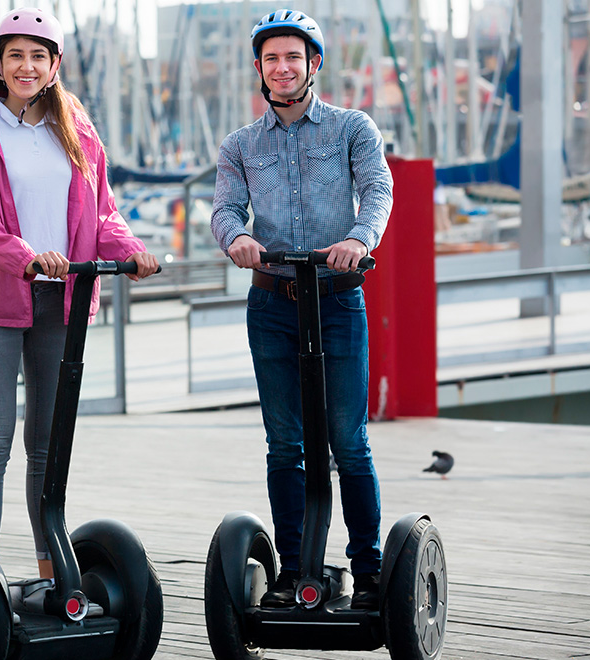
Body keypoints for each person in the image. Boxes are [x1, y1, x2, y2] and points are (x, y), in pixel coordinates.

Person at [0, 7, 159, 579]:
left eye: (37, 56)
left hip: (60, 298)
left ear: (54, 64)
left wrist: (131, 251)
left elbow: (102, 216)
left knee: (46, 446)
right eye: (15, 54)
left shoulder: (78, 132)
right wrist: (27, 258)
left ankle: (48, 573)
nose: (26, 65)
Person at [210, 9, 393, 610]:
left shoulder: (351, 129)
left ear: (314, 64)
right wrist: (235, 238)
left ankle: (367, 571)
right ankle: (294, 570)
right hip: (272, 303)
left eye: (293, 57)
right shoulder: (240, 144)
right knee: (285, 443)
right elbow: (225, 209)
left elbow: (378, 189)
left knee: (348, 440)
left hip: (337, 301)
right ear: (260, 69)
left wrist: (360, 240)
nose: (282, 68)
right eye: (271, 59)